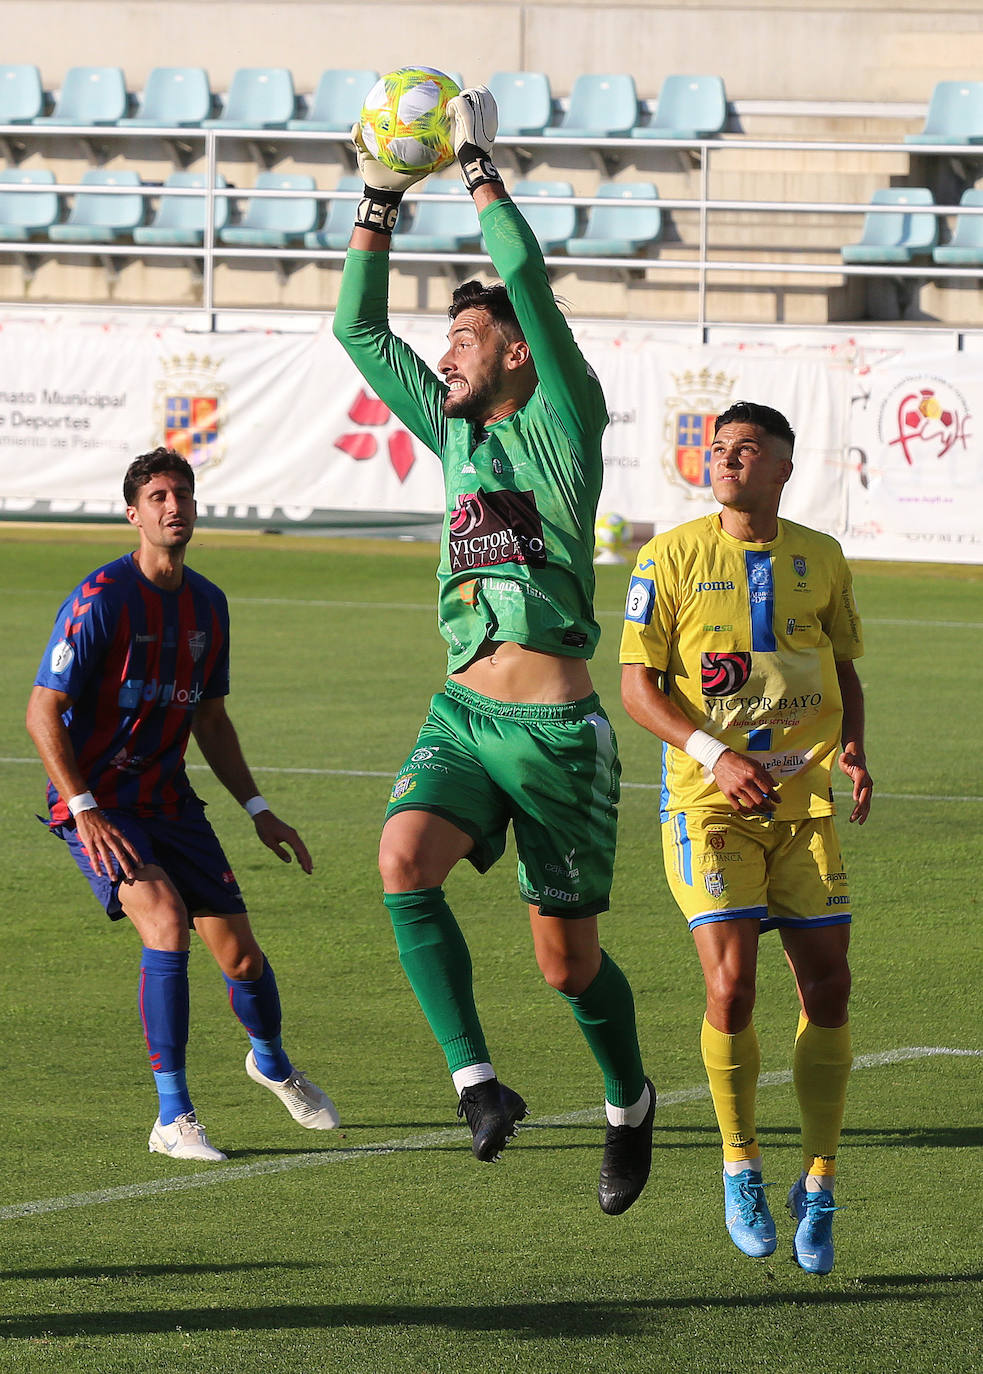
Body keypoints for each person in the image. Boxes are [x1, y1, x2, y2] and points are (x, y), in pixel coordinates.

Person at [332, 86, 654, 1214]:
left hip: (557, 736)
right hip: (464, 716)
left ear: (513, 352)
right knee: (397, 862)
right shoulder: (454, 428)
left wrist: (474, 165)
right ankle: (477, 1083)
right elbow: (356, 330)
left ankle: (627, 1104)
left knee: (566, 966)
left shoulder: (563, 415)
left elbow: (524, 283)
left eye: (462, 338)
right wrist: (377, 197)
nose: (444, 354)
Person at [26, 448, 339, 1162]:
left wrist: (259, 808)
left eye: (184, 495)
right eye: (159, 496)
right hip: (102, 806)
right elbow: (42, 712)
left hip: (172, 802)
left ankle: (273, 1063)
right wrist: (83, 806)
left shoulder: (208, 605)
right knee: (164, 925)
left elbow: (212, 721)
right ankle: (174, 1118)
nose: (174, 507)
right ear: (133, 514)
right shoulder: (101, 597)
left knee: (242, 960)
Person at [619, 401, 872, 1273]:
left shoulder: (822, 557)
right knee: (730, 989)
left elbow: (840, 665)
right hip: (707, 803)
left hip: (802, 804)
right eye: (719, 448)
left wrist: (855, 749)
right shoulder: (670, 555)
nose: (727, 459)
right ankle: (739, 1166)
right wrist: (712, 755)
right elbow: (637, 686)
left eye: (747, 450)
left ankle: (819, 1180)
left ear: (783, 469)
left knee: (829, 988)